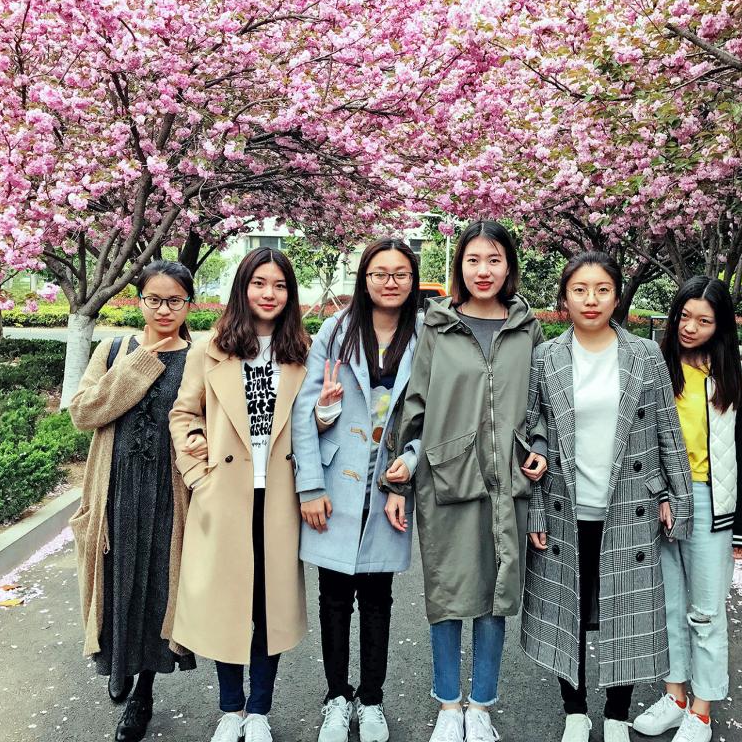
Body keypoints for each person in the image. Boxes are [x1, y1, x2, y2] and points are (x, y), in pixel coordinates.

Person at [519, 251, 694, 742]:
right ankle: (575, 710)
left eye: (601, 290)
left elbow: (667, 431)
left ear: (617, 297)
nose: (591, 299)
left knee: (626, 610)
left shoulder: (645, 354)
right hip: (565, 505)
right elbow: (532, 432)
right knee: (567, 609)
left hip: (629, 505)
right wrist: (534, 507)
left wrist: (676, 498)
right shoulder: (546, 357)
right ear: (565, 298)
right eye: (580, 290)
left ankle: (617, 713)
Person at [385, 220, 548, 742]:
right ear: (460, 265)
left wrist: (539, 448)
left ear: (509, 266)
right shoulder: (436, 326)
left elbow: (542, 406)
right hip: (447, 479)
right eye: (474, 259)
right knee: (448, 593)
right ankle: (448, 704)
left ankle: (481, 706)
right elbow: (414, 404)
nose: (484, 270)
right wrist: (399, 481)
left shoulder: (527, 328)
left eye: (494, 259)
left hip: (509, 481)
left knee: (497, 593)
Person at [169, 248, 310, 742]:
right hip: (224, 496)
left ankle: (260, 711)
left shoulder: (303, 351)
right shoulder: (209, 349)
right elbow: (184, 414)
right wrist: (198, 475)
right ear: (242, 288)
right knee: (226, 604)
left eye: (280, 285)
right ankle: (231, 709)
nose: (269, 294)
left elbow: (310, 424)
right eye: (259, 283)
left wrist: (326, 414)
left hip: (279, 499)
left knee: (269, 610)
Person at [292, 238, 422, 742]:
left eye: (400, 274)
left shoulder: (425, 336)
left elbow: (432, 415)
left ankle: (371, 699)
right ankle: (336, 697)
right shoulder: (336, 330)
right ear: (364, 278)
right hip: (337, 483)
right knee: (333, 598)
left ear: (412, 280)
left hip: (389, 483)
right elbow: (305, 412)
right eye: (379, 273)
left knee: (377, 599)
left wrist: (409, 467)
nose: (390, 282)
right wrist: (309, 487)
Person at [68, 259, 198, 742]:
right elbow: (84, 412)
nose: (164, 310)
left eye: (175, 300)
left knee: (158, 588)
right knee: (116, 582)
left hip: (170, 494)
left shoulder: (200, 358)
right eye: (154, 300)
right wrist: (141, 363)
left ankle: (143, 691)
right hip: (116, 491)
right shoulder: (114, 349)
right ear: (139, 301)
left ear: (189, 304)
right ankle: (117, 662)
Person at [632, 276, 742, 742]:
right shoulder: (654, 366)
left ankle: (701, 712)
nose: (690, 327)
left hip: (710, 503)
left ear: (720, 326)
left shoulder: (737, 376)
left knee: (705, 612)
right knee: (667, 606)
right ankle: (675, 696)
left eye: (703, 321)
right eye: (684, 316)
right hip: (659, 499)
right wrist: (656, 494)